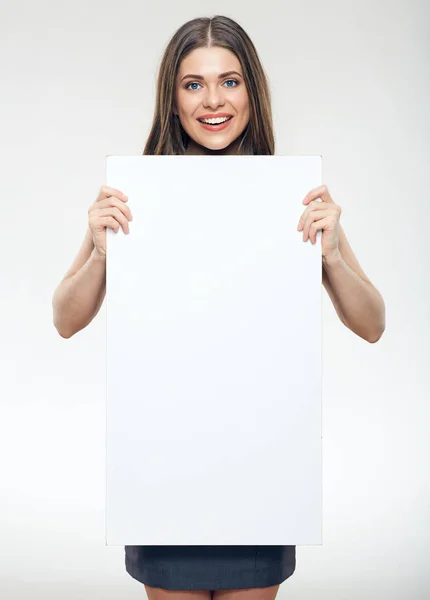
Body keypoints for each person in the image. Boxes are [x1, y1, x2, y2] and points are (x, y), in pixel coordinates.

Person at [52, 14, 386, 600]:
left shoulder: (295, 195)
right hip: (165, 468)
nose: (213, 101)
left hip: (261, 471)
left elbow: (372, 325)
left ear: (252, 93)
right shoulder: (134, 193)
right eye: (193, 84)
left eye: (230, 82)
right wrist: (101, 253)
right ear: (172, 97)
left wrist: (331, 254)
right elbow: (65, 318)